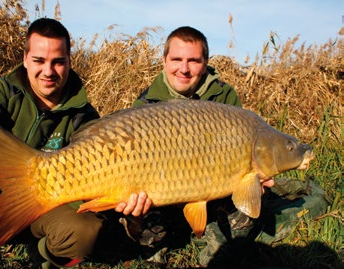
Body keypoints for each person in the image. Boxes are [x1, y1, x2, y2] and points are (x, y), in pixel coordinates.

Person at [0, 18, 151, 269]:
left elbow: (88, 195)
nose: (48, 71)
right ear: (25, 58)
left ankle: (40, 256)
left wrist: (121, 199)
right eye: (39, 61)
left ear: (70, 62)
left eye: (58, 62)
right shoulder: (2, 92)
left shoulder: (85, 117)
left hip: (49, 204)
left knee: (84, 231)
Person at [130, 26, 328, 267]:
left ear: (205, 63)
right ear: (164, 60)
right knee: (136, 214)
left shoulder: (224, 98)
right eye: (176, 59)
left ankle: (211, 242)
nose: (184, 68)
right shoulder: (145, 104)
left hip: (213, 195)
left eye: (193, 60)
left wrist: (255, 180)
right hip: (162, 192)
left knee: (248, 204)